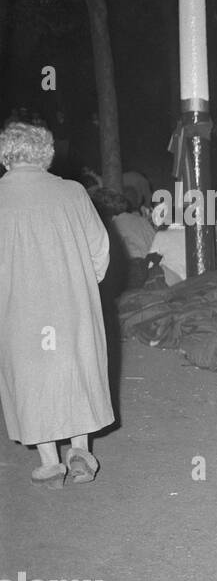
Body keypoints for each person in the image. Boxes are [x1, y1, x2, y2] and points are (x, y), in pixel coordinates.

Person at [0, 116, 114, 486]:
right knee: (74, 369)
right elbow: (100, 249)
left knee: (31, 379)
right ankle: (80, 452)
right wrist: (81, 284)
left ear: (5, 156)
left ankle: (50, 463)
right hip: (71, 306)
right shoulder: (72, 193)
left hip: (18, 310)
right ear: (46, 155)